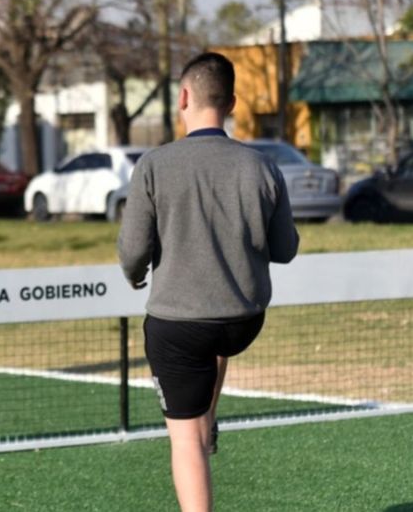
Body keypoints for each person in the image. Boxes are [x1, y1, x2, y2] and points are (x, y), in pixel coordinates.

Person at [117, 52, 299, 512]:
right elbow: (285, 249)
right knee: (213, 339)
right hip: (242, 320)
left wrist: (136, 275)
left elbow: (132, 252)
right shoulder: (263, 167)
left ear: (182, 97)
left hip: (179, 326)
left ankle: (198, 430)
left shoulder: (154, 166)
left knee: (185, 443)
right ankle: (208, 416)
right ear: (233, 103)